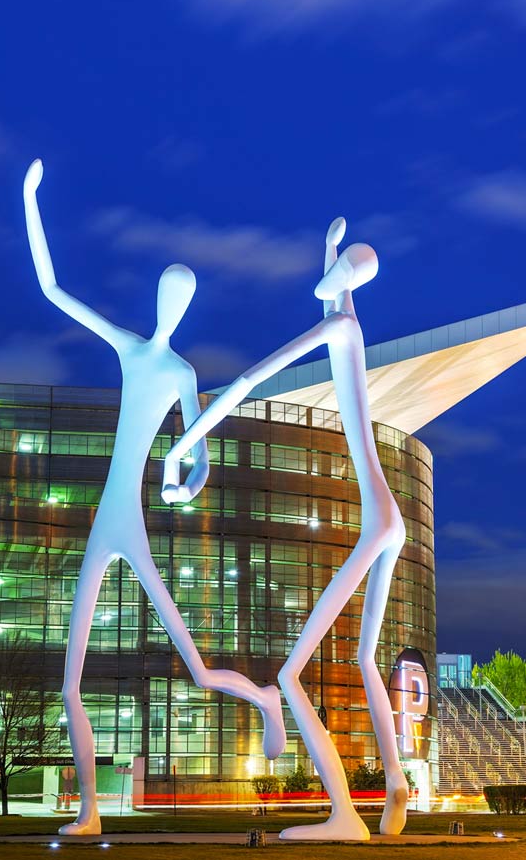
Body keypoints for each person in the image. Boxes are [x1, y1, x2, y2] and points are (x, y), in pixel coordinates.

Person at [24, 160, 285, 836]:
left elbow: (196, 456)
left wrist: (182, 482)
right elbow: (52, 288)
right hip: (103, 521)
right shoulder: (130, 348)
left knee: (195, 667)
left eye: (183, 297)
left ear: (188, 307)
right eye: (168, 292)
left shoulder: (181, 373)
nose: (173, 305)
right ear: (156, 297)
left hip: (132, 524)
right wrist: (31, 201)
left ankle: (261, 698)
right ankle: (87, 813)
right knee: (69, 681)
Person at [163, 217, 408, 840]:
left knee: (293, 674)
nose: (327, 282)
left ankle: (345, 817)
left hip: (379, 520)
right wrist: (330, 252)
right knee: (364, 659)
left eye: (335, 273)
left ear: (343, 282)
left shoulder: (339, 325)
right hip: (392, 517)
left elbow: (251, 379)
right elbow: (338, 284)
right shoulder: (351, 315)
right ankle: (398, 786)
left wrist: (185, 444)